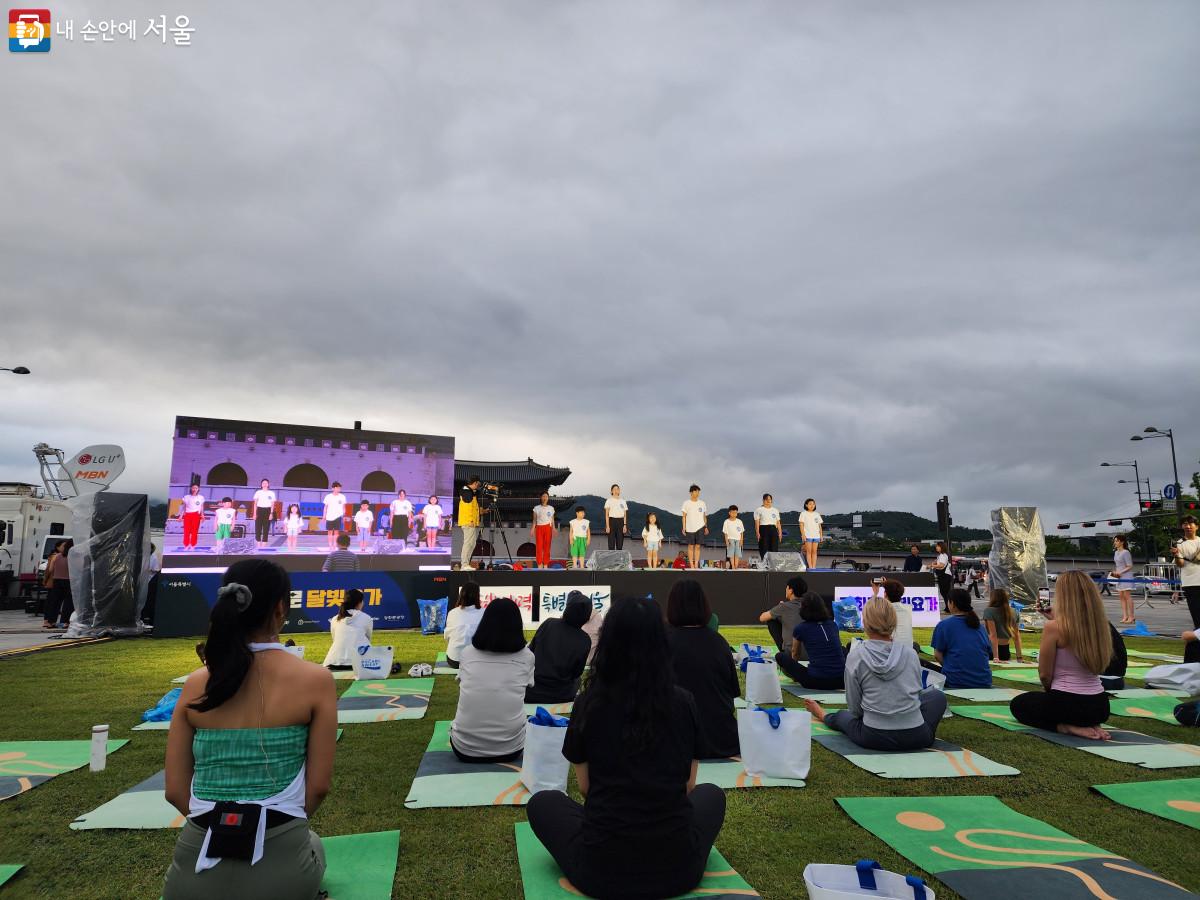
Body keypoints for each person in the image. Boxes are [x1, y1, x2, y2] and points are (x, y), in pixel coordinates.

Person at [526, 597, 726, 899]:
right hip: (678, 868)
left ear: (609, 642)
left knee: (543, 802)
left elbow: (585, 788)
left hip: (600, 871)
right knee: (711, 794)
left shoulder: (589, 703)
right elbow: (688, 786)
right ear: (661, 643)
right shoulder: (683, 702)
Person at [162, 560, 336, 899]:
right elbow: (317, 788)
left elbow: (175, 791)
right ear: (281, 608)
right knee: (314, 843)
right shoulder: (315, 680)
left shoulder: (197, 684)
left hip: (192, 872)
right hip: (283, 872)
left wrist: (221, 828)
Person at [802, 597, 947, 751]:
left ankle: (823, 715)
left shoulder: (856, 656)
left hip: (873, 735)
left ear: (865, 623)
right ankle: (918, 731)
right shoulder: (910, 654)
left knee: (843, 716)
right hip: (916, 736)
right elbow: (915, 695)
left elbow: (855, 709)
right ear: (893, 622)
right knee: (937, 697)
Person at [1009, 570, 1113, 740]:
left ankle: (1066, 727)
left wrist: (1050, 694)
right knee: (1073, 709)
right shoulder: (1100, 627)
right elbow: (1076, 629)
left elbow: (1045, 675)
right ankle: (1089, 724)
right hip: (1100, 706)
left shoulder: (1054, 628)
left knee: (1019, 704)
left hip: (1067, 703)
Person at [449, 597, 535, 762]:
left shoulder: (467, 653)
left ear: (485, 622)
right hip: (512, 748)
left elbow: (464, 683)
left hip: (464, 748)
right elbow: (528, 686)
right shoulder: (527, 657)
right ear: (517, 625)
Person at [664, 581, 740, 758]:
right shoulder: (719, 642)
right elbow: (732, 692)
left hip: (678, 741)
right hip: (723, 739)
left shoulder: (663, 641)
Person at [526, 592, 592, 704]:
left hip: (532, 691)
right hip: (562, 695)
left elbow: (530, 652)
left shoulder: (549, 623)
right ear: (587, 616)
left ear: (567, 608)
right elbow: (577, 673)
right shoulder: (585, 640)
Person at [775, 591, 845, 689]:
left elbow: (795, 653)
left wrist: (795, 672)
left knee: (780, 656)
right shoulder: (833, 625)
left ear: (803, 609)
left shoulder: (801, 628)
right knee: (843, 649)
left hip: (815, 681)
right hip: (841, 680)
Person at [931, 589, 993, 688]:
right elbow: (988, 652)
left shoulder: (944, 625)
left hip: (956, 680)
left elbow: (938, 655)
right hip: (983, 680)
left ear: (952, 604)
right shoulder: (979, 627)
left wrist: (951, 668)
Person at [758, 575, 812, 654]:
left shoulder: (784, 607)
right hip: (811, 651)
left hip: (792, 652)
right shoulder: (811, 606)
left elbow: (762, 618)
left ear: (791, 590)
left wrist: (779, 607)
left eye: (787, 588)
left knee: (771, 621)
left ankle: (784, 653)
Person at [321, 589, 373, 668]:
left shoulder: (335, 619)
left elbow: (335, 639)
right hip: (360, 662)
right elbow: (368, 638)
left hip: (334, 661)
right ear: (359, 603)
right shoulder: (366, 618)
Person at [444, 581, 485, 669]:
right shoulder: (484, 612)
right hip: (478, 660)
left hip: (454, 660)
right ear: (477, 596)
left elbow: (447, 637)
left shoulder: (452, 613)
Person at [1172, 516, 1200, 628]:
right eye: (1185, 524)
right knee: (1197, 616)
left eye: (1191, 523)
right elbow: (1180, 564)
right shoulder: (1179, 543)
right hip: (1191, 583)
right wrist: (1176, 555)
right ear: (1182, 526)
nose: (1188, 526)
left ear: (1197, 526)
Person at [982, 588, 1024, 662]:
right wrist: (1019, 657)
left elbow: (993, 635)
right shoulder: (1014, 612)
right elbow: (1016, 636)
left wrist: (995, 657)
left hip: (991, 650)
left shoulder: (989, 611)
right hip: (1005, 650)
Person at [43, 539, 74, 629]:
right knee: (68, 602)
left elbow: (51, 569)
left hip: (57, 580)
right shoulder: (73, 557)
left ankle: (50, 621)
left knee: (55, 602)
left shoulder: (56, 556)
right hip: (69, 580)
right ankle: (65, 622)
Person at [457, 476, 483, 569]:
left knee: (472, 544)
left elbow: (473, 509)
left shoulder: (470, 492)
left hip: (470, 522)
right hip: (468, 522)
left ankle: (466, 564)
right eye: (477, 484)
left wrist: (482, 512)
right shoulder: (467, 492)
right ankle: (464, 565)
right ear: (475, 483)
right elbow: (468, 509)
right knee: (468, 543)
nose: (478, 486)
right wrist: (471, 520)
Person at [681, 485, 708, 570]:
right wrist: (684, 527)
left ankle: (696, 564)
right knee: (690, 546)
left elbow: (704, 516)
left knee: (698, 546)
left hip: (700, 527)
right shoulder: (686, 503)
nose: (698, 493)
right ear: (691, 492)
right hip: (690, 527)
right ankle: (691, 564)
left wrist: (706, 527)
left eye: (698, 491)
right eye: (696, 491)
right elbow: (684, 516)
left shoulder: (702, 503)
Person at [1111, 534, 1135, 625]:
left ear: (1122, 542)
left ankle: (1131, 616)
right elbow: (1118, 565)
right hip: (1119, 576)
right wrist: (1115, 572)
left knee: (1127, 596)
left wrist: (1121, 572)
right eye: (1115, 541)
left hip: (1126, 576)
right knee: (1121, 596)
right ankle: (1125, 616)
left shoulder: (1126, 552)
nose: (1115, 543)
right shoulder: (1116, 552)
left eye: (1117, 541)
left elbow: (1130, 566)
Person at [531, 492, 557, 568]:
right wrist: (533, 528)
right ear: (541, 498)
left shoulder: (551, 508)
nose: (545, 498)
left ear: (548, 498)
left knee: (547, 547)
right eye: (543, 496)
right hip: (539, 528)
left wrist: (554, 528)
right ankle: (539, 564)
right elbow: (534, 520)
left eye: (546, 496)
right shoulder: (536, 508)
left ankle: (545, 564)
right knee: (539, 547)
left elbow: (552, 519)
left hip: (548, 528)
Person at [178, 483, 206, 550]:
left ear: (198, 489)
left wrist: (202, 515)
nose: (194, 489)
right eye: (193, 488)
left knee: (194, 531)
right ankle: (186, 545)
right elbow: (184, 507)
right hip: (187, 515)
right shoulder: (186, 497)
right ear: (191, 488)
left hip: (196, 515)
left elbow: (201, 507)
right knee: (186, 531)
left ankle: (193, 545)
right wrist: (181, 516)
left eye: (196, 488)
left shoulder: (201, 497)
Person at [754, 494, 781, 560]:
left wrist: (780, 532)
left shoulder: (775, 510)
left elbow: (778, 523)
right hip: (763, 528)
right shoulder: (759, 510)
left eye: (770, 499)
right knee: (764, 546)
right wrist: (757, 532)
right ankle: (764, 563)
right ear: (763, 500)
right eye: (767, 499)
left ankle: (773, 563)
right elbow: (757, 522)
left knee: (774, 547)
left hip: (773, 529)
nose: (768, 501)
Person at [798, 498, 823, 570]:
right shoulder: (803, 513)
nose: (812, 505)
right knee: (809, 552)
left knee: (814, 552)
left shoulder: (817, 514)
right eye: (810, 504)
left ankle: (814, 567)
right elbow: (801, 525)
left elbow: (819, 526)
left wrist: (821, 535)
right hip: (808, 535)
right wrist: (803, 535)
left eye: (813, 504)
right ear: (806, 505)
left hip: (816, 535)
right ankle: (810, 567)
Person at [251, 479, 276, 549]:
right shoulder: (258, 492)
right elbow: (255, 504)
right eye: (263, 483)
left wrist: (271, 513)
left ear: (268, 484)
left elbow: (272, 504)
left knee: (266, 528)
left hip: (268, 511)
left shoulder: (271, 493)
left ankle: (264, 546)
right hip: (259, 510)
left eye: (266, 483)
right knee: (258, 528)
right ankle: (258, 544)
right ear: (261, 484)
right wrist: (254, 514)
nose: (264, 484)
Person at [321, 483, 346, 550]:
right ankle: (330, 545)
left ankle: (335, 545)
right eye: (337, 487)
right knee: (329, 531)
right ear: (333, 488)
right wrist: (324, 516)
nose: (338, 489)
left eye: (339, 488)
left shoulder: (342, 496)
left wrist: (343, 516)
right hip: (329, 516)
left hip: (338, 516)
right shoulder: (328, 496)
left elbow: (343, 507)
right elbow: (325, 507)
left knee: (336, 532)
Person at [604, 484, 629, 551]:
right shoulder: (609, 501)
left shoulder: (623, 501)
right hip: (611, 521)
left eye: (617, 489)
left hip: (620, 522)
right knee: (611, 545)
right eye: (614, 489)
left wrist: (625, 525)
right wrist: (607, 526)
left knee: (620, 545)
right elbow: (606, 515)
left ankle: (618, 561)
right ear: (611, 491)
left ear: (619, 491)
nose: (616, 490)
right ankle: (611, 560)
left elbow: (625, 515)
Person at [722, 506, 744, 570]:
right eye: (733, 512)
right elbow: (725, 532)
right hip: (730, 539)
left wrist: (741, 540)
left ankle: (736, 566)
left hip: (738, 539)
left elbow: (742, 532)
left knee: (737, 554)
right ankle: (733, 566)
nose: (734, 514)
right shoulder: (726, 521)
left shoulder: (739, 521)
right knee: (731, 554)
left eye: (736, 512)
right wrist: (726, 541)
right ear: (729, 513)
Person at [569, 506, 590, 570]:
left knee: (582, 553)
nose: (583, 514)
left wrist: (588, 539)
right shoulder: (572, 521)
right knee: (574, 553)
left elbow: (588, 531)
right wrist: (571, 540)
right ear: (577, 513)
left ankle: (582, 566)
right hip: (575, 539)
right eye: (581, 512)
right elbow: (571, 531)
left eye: (584, 512)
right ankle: (575, 565)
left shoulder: (586, 522)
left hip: (583, 539)